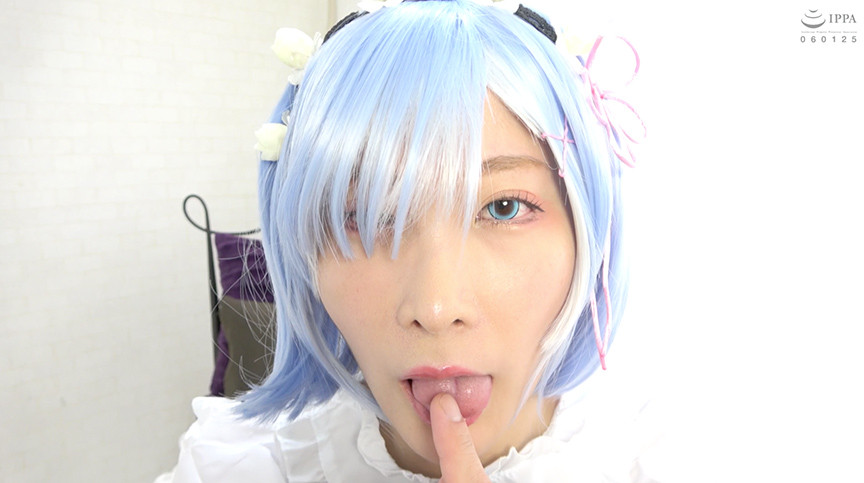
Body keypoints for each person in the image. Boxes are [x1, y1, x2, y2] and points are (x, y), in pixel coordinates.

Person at [158, 0, 656, 481]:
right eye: (367, 217)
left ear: (587, 231)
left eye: (503, 207)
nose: (436, 309)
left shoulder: (664, 455)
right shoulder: (237, 466)